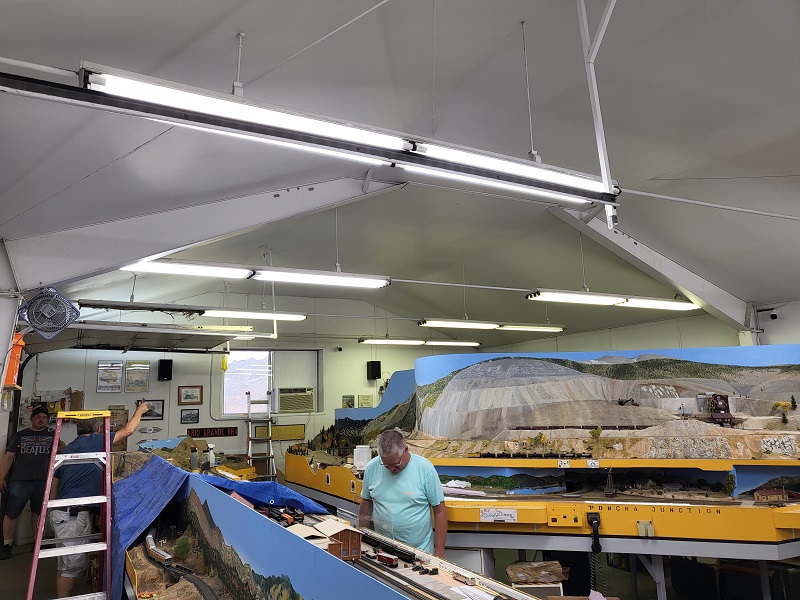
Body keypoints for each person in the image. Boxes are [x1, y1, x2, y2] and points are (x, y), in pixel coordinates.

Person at [50, 401, 149, 598]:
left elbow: (54, 483)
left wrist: (53, 507)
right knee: (70, 569)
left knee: (64, 565)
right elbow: (128, 430)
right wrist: (140, 410)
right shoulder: (96, 441)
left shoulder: (68, 449)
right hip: (73, 516)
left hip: (61, 513)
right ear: (97, 429)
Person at [359, 430, 446, 557]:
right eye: (386, 465)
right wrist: (361, 538)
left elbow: (440, 511)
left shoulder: (425, 469)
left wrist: (439, 555)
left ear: (406, 450)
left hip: (419, 552)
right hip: (383, 549)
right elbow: (365, 503)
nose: (391, 469)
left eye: (396, 464)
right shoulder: (372, 467)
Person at [0, 405, 63, 560]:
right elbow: (9, 456)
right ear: (32, 418)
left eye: (44, 417)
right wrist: (1, 477)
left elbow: (63, 450)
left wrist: (60, 442)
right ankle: (7, 545)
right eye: (38, 417)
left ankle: (38, 542)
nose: (41, 420)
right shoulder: (20, 435)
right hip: (20, 481)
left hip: (43, 480)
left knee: (39, 513)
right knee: (12, 513)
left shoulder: (52, 434)